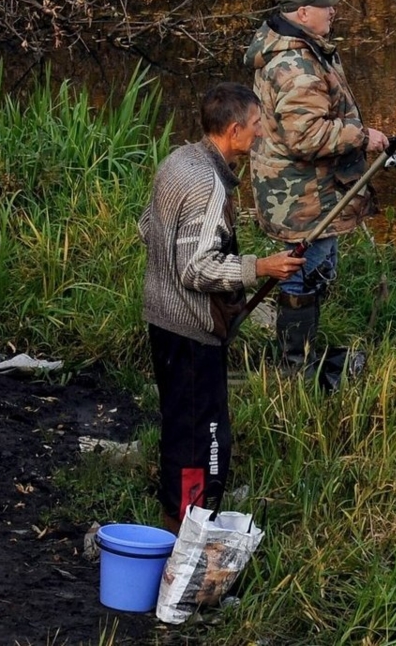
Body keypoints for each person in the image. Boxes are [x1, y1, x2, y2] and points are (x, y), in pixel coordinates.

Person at [139, 83, 304, 532]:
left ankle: (174, 520)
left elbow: (147, 227)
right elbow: (195, 268)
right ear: (233, 130)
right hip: (190, 332)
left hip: (161, 319)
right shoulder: (209, 184)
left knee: (180, 427)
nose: (261, 132)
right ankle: (189, 536)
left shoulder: (177, 161)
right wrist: (260, 267)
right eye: (255, 125)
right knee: (206, 441)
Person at [244, 0, 387, 368]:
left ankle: (301, 355)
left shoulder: (299, 47)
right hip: (301, 195)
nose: (333, 11)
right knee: (302, 274)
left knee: (314, 267)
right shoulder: (295, 64)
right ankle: (296, 366)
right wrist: (362, 137)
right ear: (303, 12)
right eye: (327, 6)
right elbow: (305, 138)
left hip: (304, 190)